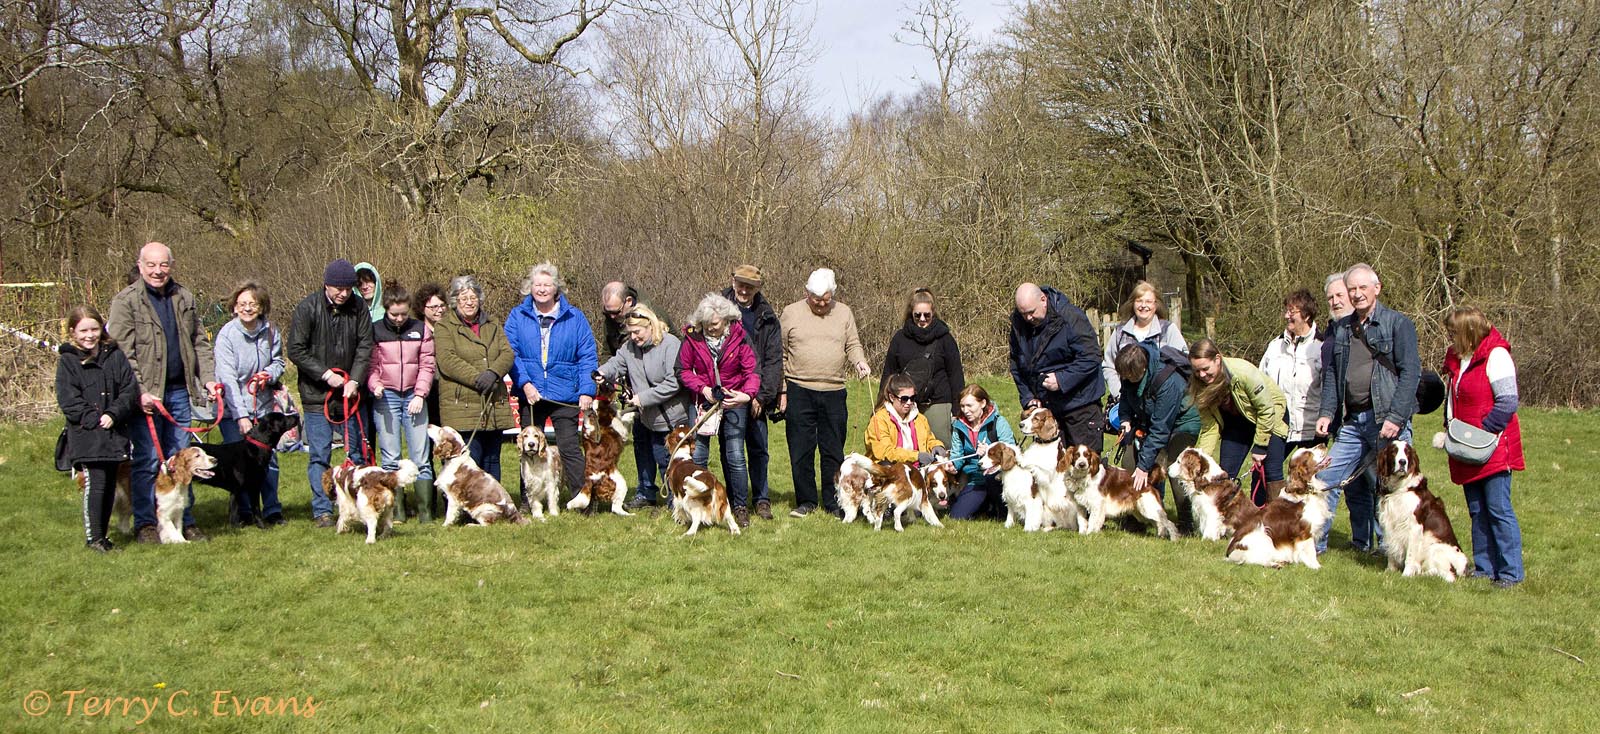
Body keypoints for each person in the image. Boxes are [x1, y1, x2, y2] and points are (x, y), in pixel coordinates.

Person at [106, 241, 219, 543]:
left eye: (163, 265)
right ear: (140, 266)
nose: (158, 271)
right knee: (146, 461)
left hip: (180, 391)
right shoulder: (125, 301)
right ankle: (146, 523)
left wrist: (208, 379)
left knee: (183, 460)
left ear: (171, 266)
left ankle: (184, 520)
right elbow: (121, 354)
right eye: (151, 265)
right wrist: (140, 392)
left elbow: (199, 342)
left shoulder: (184, 297)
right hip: (146, 397)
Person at [1314, 262, 1420, 554]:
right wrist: (1327, 412)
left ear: (1377, 288)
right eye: (1352, 289)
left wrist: (1396, 417)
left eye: (1363, 287)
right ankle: (1314, 546)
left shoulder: (1398, 324)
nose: (1357, 294)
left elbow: (1411, 373)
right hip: (1352, 422)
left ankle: (1393, 552)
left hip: (1386, 418)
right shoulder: (1343, 329)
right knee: (1325, 477)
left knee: (1393, 485)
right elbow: (1333, 373)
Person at [287, 258, 375, 528]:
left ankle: (359, 506)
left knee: (357, 453)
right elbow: (296, 350)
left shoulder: (359, 308)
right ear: (326, 284)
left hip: (351, 395)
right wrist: (326, 375)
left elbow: (365, 346)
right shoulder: (307, 308)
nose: (344, 294)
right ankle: (322, 510)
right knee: (319, 455)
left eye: (348, 288)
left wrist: (355, 380)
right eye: (339, 288)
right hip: (317, 395)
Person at [1442, 306, 1525, 588]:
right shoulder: (1458, 359)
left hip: (1493, 446)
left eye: (1453, 331)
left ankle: (1510, 572)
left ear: (1468, 332)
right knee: (1477, 510)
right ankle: (1484, 568)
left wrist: (1484, 432)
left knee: (1498, 509)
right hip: (1467, 447)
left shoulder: (1496, 356)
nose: (1449, 336)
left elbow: (1507, 402)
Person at [506, 262, 598, 504]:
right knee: (528, 449)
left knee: (569, 448)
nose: (542, 289)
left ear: (556, 288)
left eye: (547, 285)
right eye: (537, 284)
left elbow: (587, 356)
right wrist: (525, 384)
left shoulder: (575, 317)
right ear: (530, 287)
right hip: (531, 395)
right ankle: (529, 500)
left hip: (565, 394)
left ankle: (582, 498)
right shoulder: (517, 316)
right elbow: (511, 354)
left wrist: (587, 390)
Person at [780, 268, 869, 518]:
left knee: (832, 449)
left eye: (826, 300)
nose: (821, 304)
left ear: (833, 295)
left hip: (834, 391)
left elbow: (852, 344)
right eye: (816, 299)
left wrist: (859, 361)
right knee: (801, 449)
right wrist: (782, 390)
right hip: (799, 389)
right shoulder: (791, 313)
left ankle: (833, 501)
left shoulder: (844, 313)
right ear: (806, 293)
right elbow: (781, 353)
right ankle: (806, 501)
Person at [56, 305, 140, 552]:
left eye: (94, 329)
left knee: (110, 482)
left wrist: (113, 414)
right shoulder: (68, 361)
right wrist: (93, 418)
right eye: (83, 331)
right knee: (97, 483)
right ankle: (94, 538)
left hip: (115, 431)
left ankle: (103, 537)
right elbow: (68, 399)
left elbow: (129, 389)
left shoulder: (114, 355)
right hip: (87, 434)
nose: (89, 335)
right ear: (73, 332)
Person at [599, 305, 692, 510]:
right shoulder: (630, 347)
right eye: (630, 333)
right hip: (646, 416)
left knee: (667, 460)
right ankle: (647, 495)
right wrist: (602, 372)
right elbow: (616, 363)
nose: (633, 337)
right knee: (645, 456)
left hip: (671, 416)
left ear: (650, 326)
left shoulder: (670, 345)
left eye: (637, 332)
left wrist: (642, 398)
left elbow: (674, 383)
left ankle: (675, 501)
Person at [679, 293, 760, 527]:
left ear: (726, 320)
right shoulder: (692, 338)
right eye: (706, 324)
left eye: (714, 324)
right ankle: (700, 503)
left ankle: (739, 506)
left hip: (734, 400)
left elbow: (752, 371)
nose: (710, 328)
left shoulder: (740, 336)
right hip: (703, 402)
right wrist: (702, 388)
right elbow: (682, 370)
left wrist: (746, 395)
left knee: (735, 456)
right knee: (699, 455)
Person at [213, 282, 287, 528]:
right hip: (234, 408)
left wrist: (268, 374)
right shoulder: (226, 335)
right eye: (242, 304)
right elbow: (227, 378)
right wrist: (241, 416)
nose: (247, 308)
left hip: (262, 408)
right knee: (240, 465)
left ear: (261, 307)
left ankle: (272, 510)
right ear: (234, 307)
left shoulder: (271, 331)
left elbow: (279, 362)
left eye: (252, 304)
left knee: (268, 462)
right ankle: (244, 513)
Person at [434, 275, 515, 482]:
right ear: (455, 301)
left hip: (493, 404)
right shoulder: (444, 326)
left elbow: (507, 353)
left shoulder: (493, 323)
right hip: (462, 405)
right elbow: (447, 360)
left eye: (473, 297)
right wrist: (478, 378)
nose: (469, 302)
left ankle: (493, 500)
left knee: (492, 461)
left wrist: (493, 373)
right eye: (463, 298)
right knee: (467, 465)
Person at [367, 285, 437, 524]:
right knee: (390, 457)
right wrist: (375, 384)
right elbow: (371, 365)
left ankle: (425, 513)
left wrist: (420, 394)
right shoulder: (375, 330)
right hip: (386, 397)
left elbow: (427, 364)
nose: (399, 319)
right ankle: (396, 511)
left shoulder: (420, 329)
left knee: (421, 457)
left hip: (414, 396)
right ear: (385, 309)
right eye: (394, 314)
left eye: (404, 314)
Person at [1189, 338, 1289, 505]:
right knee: (1225, 473)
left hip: (1270, 416)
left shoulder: (1244, 372)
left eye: (1205, 369)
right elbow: (1209, 427)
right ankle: (1228, 517)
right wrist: (1202, 457)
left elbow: (1266, 409)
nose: (1202, 375)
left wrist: (1260, 445)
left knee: (1271, 472)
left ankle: (1276, 518)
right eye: (1197, 371)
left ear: (1217, 359)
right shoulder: (1198, 385)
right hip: (1236, 423)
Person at [1009, 282, 1106, 451]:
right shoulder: (1019, 325)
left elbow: (1091, 356)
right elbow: (1017, 365)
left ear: (1043, 299)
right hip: (1047, 410)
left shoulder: (1071, 317)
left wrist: (1061, 380)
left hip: (1080, 406)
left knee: (1083, 464)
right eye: (1023, 314)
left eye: (1031, 312)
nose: (1028, 318)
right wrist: (1028, 398)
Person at [1114, 342, 1201, 529]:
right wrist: (1125, 419)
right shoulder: (1129, 373)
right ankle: (1135, 516)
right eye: (1124, 376)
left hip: (1182, 424)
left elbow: (1161, 429)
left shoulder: (1169, 382)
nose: (1126, 379)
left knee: (1176, 466)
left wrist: (1144, 466)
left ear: (1143, 369)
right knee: (1129, 461)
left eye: (1129, 377)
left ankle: (1186, 522)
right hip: (1149, 420)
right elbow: (1125, 397)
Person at [723, 265, 782, 521]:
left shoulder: (767, 316)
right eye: (741, 285)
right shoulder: (718, 308)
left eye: (750, 287)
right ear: (733, 282)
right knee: (730, 450)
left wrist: (763, 396)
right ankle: (735, 499)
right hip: (728, 390)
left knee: (758, 448)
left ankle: (761, 499)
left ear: (758, 288)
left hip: (756, 392)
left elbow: (773, 360)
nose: (744, 290)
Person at [879, 288, 964, 450]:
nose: (922, 319)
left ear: (933, 313)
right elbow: (889, 374)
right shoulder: (900, 339)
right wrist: (881, 406)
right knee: (906, 451)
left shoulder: (945, 339)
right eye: (917, 315)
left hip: (938, 403)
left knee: (941, 450)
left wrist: (957, 409)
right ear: (911, 313)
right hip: (905, 403)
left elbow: (956, 376)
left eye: (927, 315)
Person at [1259, 288, 1324, 453]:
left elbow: (1330, 390)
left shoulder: (1321, 347)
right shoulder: (1275, 346)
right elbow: (1260, 382)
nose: (1286, 316)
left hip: (1311, 430)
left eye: (1291, 312)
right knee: (1266, 470)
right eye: (1286, 310)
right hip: (1278, 427)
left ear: (1306, 315)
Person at [1101, 281, 1186, 403]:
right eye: (1139, 301)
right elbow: (1109, 366)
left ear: (1156, 304)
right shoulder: (1120, 332)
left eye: (1148, 301)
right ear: (1132, 304)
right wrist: (1119, 394)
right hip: (1125, 400)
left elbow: (1181, 363)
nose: (1143, 305)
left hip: (1160, 400)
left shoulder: (1168, 330)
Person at [946, 384, 1016, 520]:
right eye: (962, 406)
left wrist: (988, 451)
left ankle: (1000, 508)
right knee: (957, 516)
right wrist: (953, 465)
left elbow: (1010, 451)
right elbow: (957, 454)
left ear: (983, 403)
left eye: (969, 406)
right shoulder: (958, 426)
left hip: (999, 477)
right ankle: (985, 505)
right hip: (976, 478)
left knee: (1001, 513)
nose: (965, 410)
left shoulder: (999, 422)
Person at [864, 373, 948, 466]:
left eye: (912, 398)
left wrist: (936, 446)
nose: (909, 402)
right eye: (904, 399)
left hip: (917, 468)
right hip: (887, 468)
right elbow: (884, 452)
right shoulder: (879, 420)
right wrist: (916, 456)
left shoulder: (920, 418)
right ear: (892, 397)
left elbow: (929, 439)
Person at [598, 281, 673, 358]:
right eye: (608, 312)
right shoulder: (610, 319)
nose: (612, 316)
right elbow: (607, 352)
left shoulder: (654, 315)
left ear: (629, 301)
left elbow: (674, 347)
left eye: (616, 312)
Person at [415, 282, 447, 443]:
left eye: (442, 306)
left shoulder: (449, 331)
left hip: (445, 390)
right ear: (423, 309)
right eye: (434, 307)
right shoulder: (416, 332)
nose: (439, 310)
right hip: (425, 391)